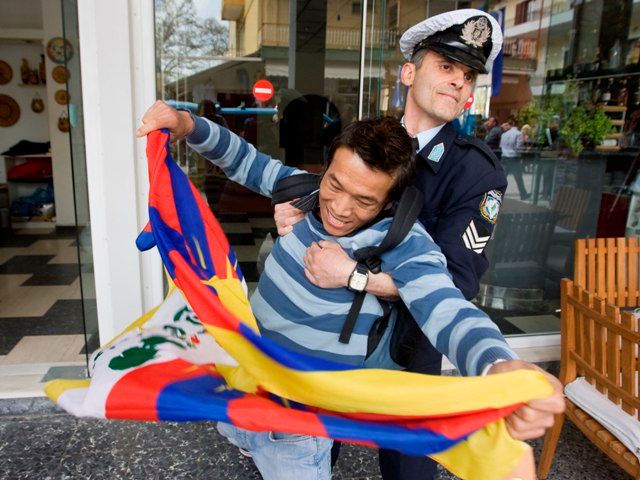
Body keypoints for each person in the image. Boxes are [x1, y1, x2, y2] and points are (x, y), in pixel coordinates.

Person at [136, 101, 563, 480]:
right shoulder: (301, 191)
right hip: (244, 391)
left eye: (364, 200)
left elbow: (447, 308)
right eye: (335, 185)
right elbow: (244, 159)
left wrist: (498, 365)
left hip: (299, 429)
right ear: (326, 167)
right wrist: (187, 124)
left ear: (390, 201)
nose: (340, 209)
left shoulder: (406, 242)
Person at [272, 9, 554, 480]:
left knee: (407, 468)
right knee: (312, 444)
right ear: (409, 72)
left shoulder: (476, 171)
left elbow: (456, 282)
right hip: (332, 331)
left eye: (467, 77)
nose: (458, 83)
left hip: (408, 346)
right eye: (446, 67)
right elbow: (332, 197)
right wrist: (297, 214)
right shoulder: (369, 137)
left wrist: (354, 276)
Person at [500, 117, 530, 201]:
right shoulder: (518, 134)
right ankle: (523, 194)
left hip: (504, 157)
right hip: (514, 158)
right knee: (518, 178)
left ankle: (495, 196)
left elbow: (501, 146)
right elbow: (518, 147)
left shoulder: (504, 134)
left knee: (501, 178)